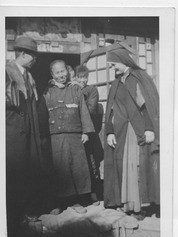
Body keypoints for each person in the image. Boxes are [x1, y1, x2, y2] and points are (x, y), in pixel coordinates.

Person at [104, 48, 159, 218]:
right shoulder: (116, 83)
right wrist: (109, 131)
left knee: (137, 167)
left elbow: (148, 106)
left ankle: (140, 206)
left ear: (123, 61)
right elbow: (111, 111)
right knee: (123, 166)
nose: (113, 68)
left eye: (114, 65)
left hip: (138, 130)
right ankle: (127, 204)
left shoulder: (139, 78)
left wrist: (150, 128)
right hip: (121, 131)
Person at [38, 60, 95, 214]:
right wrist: (43, 137)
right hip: (55, 137)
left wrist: (86, 132)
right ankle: (59, 203)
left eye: (63, 71)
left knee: (78, 168)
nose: (61, 75)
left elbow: (83, 110)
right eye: (57, 72)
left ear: (67, 71)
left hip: (75, 135)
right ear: (52, 75)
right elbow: (42, 115)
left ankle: (77, 201)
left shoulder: (75, 89)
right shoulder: (47, 92)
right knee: (60, 169)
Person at [6, 36, 44, 237]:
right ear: (22, 54)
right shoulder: (6, 71)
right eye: (33, 56)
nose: (34, 60)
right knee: (13, 174)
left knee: (28, 171)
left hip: (28, 131)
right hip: (11, 131)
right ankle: (12, 218)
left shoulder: (29, 76)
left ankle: (25, 214)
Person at [74, 65, 103, 203]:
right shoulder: (71, 88)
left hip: (88, 131)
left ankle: (94, 193)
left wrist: (79, 93)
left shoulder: (92, 90)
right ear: (75, 77)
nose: (82, 80)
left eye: (85, 77)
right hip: (74, 132)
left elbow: (90, 110)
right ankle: (78, 196)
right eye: (79, 77)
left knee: (91, 162)